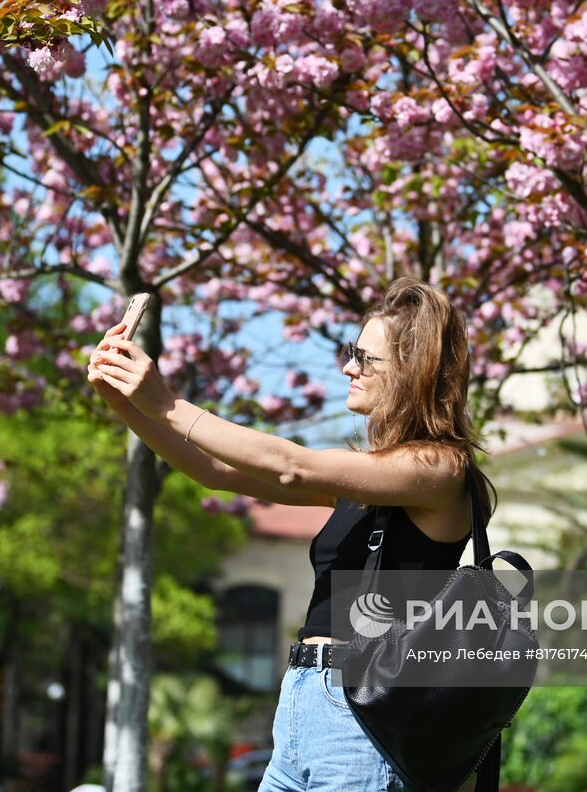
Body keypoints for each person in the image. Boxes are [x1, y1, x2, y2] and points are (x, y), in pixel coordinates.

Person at [87, 277, 497, 791]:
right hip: (303, 702)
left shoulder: (439, 469)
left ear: (413, 372)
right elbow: (215, 471)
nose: (348, 367)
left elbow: (290, 468)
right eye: (352, 352)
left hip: (361, 722)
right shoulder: (369, 478)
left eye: (365, 359)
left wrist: (166, 402)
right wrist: (125, 400)